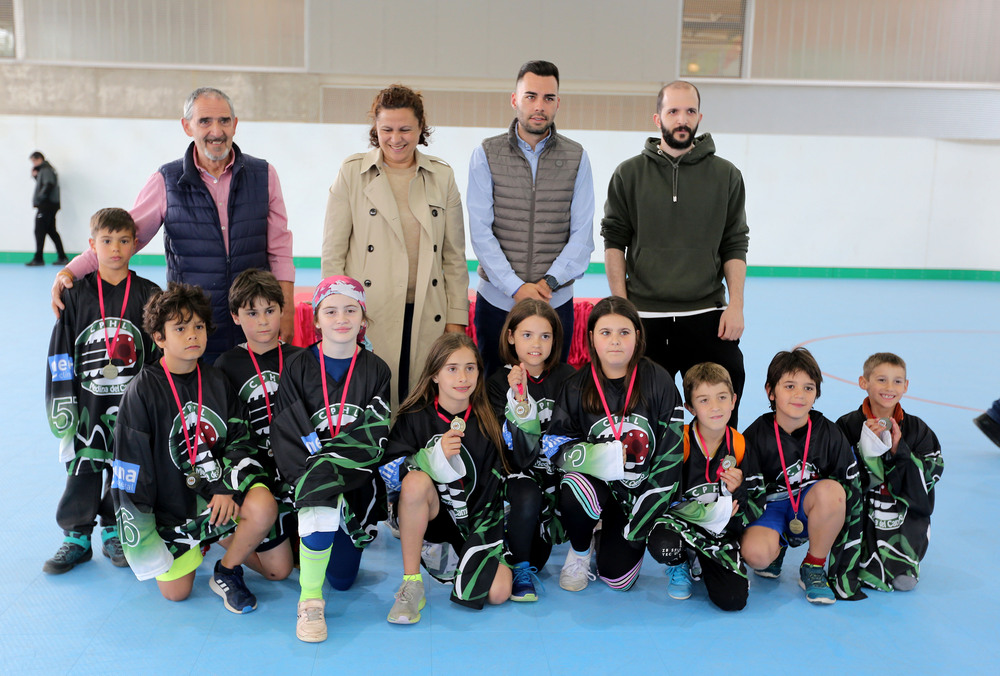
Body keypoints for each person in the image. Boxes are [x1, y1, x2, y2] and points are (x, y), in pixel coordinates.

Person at [52, 87, 295, 362]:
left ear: (235, 125)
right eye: (205, 121)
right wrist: (70, 272)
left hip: (253, 322)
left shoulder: (264, 175)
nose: (216, 131)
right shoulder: (166, 180)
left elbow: (280, 251)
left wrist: (286, 312)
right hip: (194, 325)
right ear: (187, 127)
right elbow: (124, 237)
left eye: (224, 121)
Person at [111, 283, 286, 612]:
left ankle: (227, 569)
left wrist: (226, 488)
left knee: (277, 565)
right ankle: (206, 539)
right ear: (159, 338)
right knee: (176, 594)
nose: (192, 335)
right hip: (171, 508)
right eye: (180, 328)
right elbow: (131, 469)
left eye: (198, 327)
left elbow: (240, 439)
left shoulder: (216, 379)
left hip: (218, 495)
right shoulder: (142, 391)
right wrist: (144, 538)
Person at [601, 80, 749, 427]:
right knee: (640, 414)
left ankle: (717, 472)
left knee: (726, 396)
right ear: (658, 118)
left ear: (700, 116)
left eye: (690, 111)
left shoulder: (726, 175)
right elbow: (614, 241)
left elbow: (735, 242)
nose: (682, 119)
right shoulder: (628, 174)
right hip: (645, 318)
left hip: (706, 313)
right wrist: (623, 310)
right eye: (673, 111)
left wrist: (736, 304)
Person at [321, 84, 468, 410]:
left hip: (428, 312)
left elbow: (454, 257)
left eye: (405, 129)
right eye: (386, 129)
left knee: (421, 402)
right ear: (375, 128)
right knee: (371, 398)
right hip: (370, 311)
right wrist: (337, 314)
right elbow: (333, 254)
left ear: (420, 128)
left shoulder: (441, 177)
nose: (395, 138)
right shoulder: (352, 173)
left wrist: (456, 319)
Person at [269, 276, 392, 642]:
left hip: (355, 483)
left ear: (362, 318)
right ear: (316, 318)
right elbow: (287, 428)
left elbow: (375, 436)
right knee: (319, 495)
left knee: (342, 579)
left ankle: (312, 534)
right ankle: (309, 602)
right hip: (310, 476)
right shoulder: (297, 366)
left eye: (350, 310)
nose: (342, 318)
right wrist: (320, 471)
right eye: (331, 311)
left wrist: (331, 466)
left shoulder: (377, 369)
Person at [43, 208, 160, 574]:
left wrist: (158, 404)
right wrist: (61, 398)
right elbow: (61, 348)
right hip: (86, 401)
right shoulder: (76, 293)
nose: (115, 249)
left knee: (124, 466)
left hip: (131, 403)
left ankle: (113, 529)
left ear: (135, 245)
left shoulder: (149, 293)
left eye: (124, 241)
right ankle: (76, 536)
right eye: (106, 241)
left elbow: (157, 353)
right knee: (84, 464)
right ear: (93, 245)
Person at [545, 296, 684, 593]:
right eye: (606, 332)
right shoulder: (576, 385)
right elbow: (556, 446)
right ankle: (581, 550)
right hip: (594, 487)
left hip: (637, 493)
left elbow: (671, 456)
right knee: (574, 486)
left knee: (617, 579)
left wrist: (641, 518)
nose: (615, 341)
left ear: (638, 336)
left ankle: (604, 533)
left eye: (624, 332)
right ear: (592, 337)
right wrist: (603, 456)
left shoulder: (659, 381)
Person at [467, 60, 595, 376]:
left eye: (548, 98)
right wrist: (514, 287)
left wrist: (546, 284)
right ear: (515, 99)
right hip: (496, 303)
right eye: (531, 96)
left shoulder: (576, 156)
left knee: (552, 395)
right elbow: (480, 231)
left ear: (558, 103)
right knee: (494, 393)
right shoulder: (486, 153)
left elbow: (583, 232)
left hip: (554, 302)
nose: (539, 106)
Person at [384, 333, 512, 623]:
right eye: (452, 368)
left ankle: (465, 563)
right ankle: (411, 582)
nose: (462, 377)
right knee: (415, 482)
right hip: (436, 517)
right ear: (434, 375)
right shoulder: (415, 416)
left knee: (499, 592)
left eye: (470, 367)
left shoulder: (491, 414)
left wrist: (522, 409)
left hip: (480, 520)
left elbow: (519, 460)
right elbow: (390, 473)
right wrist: (431, 457)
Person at [740, 348, 864, 605]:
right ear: (770, 391)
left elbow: (851, 491)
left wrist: (845, 566)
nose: (799, 395)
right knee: (756, 555)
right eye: (789, 386)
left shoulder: (829, 433)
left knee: (834, 493)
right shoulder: (755, 435)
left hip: (810, 507)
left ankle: (813, 566)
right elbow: (746, 493)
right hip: (771, 507)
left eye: (808, 388)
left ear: (817, 393)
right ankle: (776, 548)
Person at [646, 363, 764, 611]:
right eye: (704, 400)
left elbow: (756, 498)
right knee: (663, 543)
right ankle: (680, 562)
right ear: (690, 407)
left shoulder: (741, 446)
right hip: (681, 524)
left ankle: (704, 557)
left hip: (719, 532)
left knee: (733, 601)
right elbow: (657, 492)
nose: (715, 407)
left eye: (722, 398)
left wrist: (738, 490)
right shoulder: (679, 442)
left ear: (733, 400)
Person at [485, 299, 577, 601]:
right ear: (511, 336)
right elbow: (518, 457)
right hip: (519, 475)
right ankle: (521, 568)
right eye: (527, 335)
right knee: (527, 493)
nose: (536, 344)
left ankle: (587, 549)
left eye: (545, 336)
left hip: (558, 473)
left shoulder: (569, 377)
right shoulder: (498, 383)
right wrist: (520, 400)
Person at [214, 269, 301, 584]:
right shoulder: (225, 366)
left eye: (270, 311)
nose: (263, 320)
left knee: (327, 566)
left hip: (293, 469)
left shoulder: (300, 360)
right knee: (279, 571)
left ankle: (281, 531)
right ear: (236, 317)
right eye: (252, 313)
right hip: (253, 476)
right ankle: (223, 537)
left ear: (282, 311)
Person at [836, 353, 944, 592]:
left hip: (900, 506)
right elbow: (835, 469)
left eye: (897, 381)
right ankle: (860, 560)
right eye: (881, 380)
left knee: (910, 507)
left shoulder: (918, 429)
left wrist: (900, 451)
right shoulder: (847, 425)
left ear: (906, 386)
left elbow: (932, 473)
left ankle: (903, 562)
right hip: (864, 504)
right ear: (864, 383)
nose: (889, 387)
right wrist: (864, 451)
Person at [27, 151, 69, 267]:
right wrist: (36, 176)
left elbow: (48, 185)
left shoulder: (45, 170)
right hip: (50, 205)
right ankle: (62, 257)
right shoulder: (46, 170)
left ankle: (38, 258)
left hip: (46, 206)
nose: (33, 164)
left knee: (39, 231)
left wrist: (40, 199)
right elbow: (45, 184)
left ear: (39, 159)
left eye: (34, 161)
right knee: (51, 231)